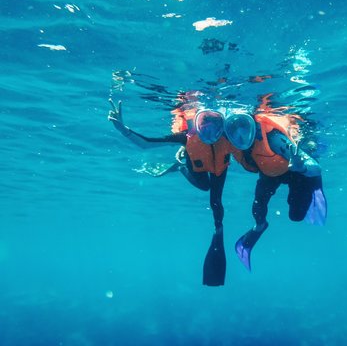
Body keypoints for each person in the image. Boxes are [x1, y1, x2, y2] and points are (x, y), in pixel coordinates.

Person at [108, 99, 235, 286]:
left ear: (222, 127)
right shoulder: (186, 137)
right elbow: (146, 144)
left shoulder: (228, 136)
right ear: (198, 126)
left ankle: (218, 229)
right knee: (206, 187)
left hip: (218, 168)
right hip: (196, 167)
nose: (211, 136)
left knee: (216, 202)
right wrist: (123, 130)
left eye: (215, 131)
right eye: (205, 129)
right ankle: (180, 167)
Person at [225, 110, 327, 271]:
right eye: (233, 129)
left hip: (295, 173)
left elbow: (315, 168)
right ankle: (260, 226)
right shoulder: (228, 141)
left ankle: (315, 187)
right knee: (258, 207)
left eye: (244, 127)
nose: (240, 135)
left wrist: (302, 168)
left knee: (296, 216)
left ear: (252, 124)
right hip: (269, 174)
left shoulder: (273, 138)